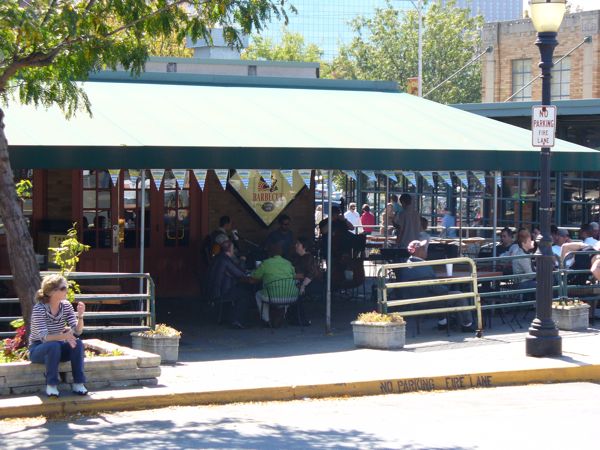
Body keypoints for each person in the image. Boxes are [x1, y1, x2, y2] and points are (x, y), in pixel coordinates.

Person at [395, 240, 474, 332]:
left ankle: (443, 322)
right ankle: (467, 324)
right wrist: (447, 286)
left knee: (439, 295)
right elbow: (437, 289)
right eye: (424, 248)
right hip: (427, 300)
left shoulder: (405, 264)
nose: (426, 250)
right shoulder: (425, 266)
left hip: (412, 299)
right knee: (460, 296)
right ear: (418, 251)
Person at [28, 275, 87, 397]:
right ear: (52, 291)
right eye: (63, 288)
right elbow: (44, 338)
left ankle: (78, 384)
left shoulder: (66, 306)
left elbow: (77, 331)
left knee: (78, 343)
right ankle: (51, 385)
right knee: (53, 345)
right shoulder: (39, 309)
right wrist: (64, 336)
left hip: (58, 346)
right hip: (38, 348)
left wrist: (80, 316)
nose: (67, 290)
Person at [208, 240, 252, 329]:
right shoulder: (225, 260)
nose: (234, 251)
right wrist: (243, 260)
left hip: (214, 290)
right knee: (246, 295)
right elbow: (241, 274)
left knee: (240, 291)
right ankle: (236, 320)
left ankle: (230, 317)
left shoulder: (218, 257)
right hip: (222, 292)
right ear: (230, 249)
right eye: (233, 248)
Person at [251, 242, 298, 325]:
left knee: (258, 294)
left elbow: (255, 277)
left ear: (269, 252)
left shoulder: (266, 263)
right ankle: (282, 316)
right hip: (291, 297)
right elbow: (294, 276)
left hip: (272, 297)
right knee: (283, 293)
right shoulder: (288, 263)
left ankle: (266, 319)